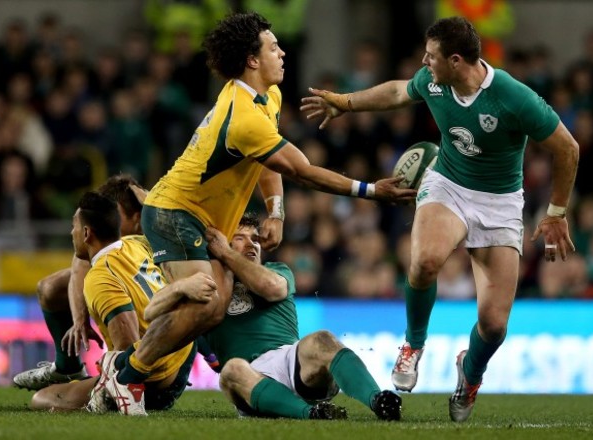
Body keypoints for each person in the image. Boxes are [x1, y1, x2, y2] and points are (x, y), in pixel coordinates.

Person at [93, 11, 416, 416]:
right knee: (209, 302)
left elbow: (266, 162)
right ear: (251, 59)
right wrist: (370, 190)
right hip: (175, 211)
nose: (282, 52)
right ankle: (127, 373)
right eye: (273, 46)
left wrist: (276, 210)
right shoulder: (243, 116)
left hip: (200, 217)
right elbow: (299, 169)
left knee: (210, 302)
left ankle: (134, 362)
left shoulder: (266, 98)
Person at [301, 16, 579, 422]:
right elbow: (399, 90)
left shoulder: (513, 98)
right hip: (448, 183)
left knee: (494, 325)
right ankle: (413, 345)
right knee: (425, 260)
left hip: (500, 203)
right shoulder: (434, 80)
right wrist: (345, 102)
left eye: (431, 57)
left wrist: (556, 212)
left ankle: (470, 374)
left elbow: (567, 148)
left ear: (455, 60)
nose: (423, 62)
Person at [145, 212, 402, 421]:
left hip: (292, 361)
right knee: (230, 371)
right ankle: (312, 415)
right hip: (251, 377)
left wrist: (226, 253)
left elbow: (272, 287)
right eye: (240, 238)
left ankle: (379, 400)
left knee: (321, 339)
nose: (251, 244)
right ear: (220, 244)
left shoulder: (276, 270)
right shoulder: (204, 287)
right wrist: (179, 288)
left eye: (255, 239)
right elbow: (150, 313)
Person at [27, 191, 214, 414]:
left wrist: (113, 372)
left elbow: (130, 347)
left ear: (86, 233)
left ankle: (103, 387)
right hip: (183, 352)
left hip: (157, 381)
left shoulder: (99, 278)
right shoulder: (135, 244)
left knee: (43, 398)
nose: (71, 232)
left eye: (74, 227)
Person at [13, 174, 144, 390]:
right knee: (50, 288)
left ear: (137, 218)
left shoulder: (154, 234)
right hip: (120, 291)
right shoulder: (101, 243)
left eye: (116, 214)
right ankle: (67, 367)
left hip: (153, 313)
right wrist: (80, 321)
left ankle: (133, 377)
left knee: (45, 401)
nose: (110, 220)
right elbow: (78, 270)